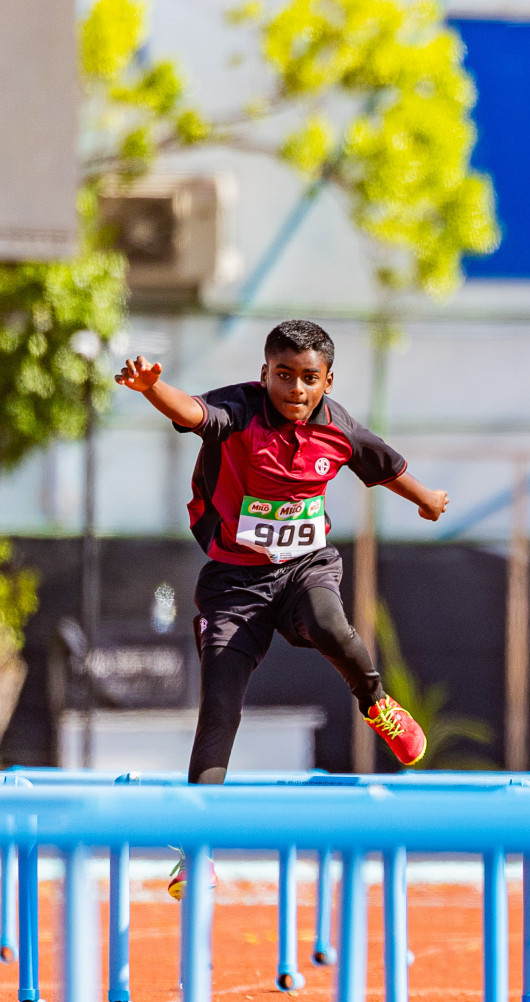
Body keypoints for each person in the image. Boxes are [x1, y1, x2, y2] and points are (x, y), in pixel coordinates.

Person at [115, 319, 449, 894]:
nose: (295, 389)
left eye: (308, 379)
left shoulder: (336, 426)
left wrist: (428, 499)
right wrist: (150, 390)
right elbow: (195, 413)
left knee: (328, 623)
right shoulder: (242, 410)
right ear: (265, 373)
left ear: (327, 382)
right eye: (283, 376)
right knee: (219, 707)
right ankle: (197, 850)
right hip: (234, 584)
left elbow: (383, 465)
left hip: (304, 570)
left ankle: (375, 702)